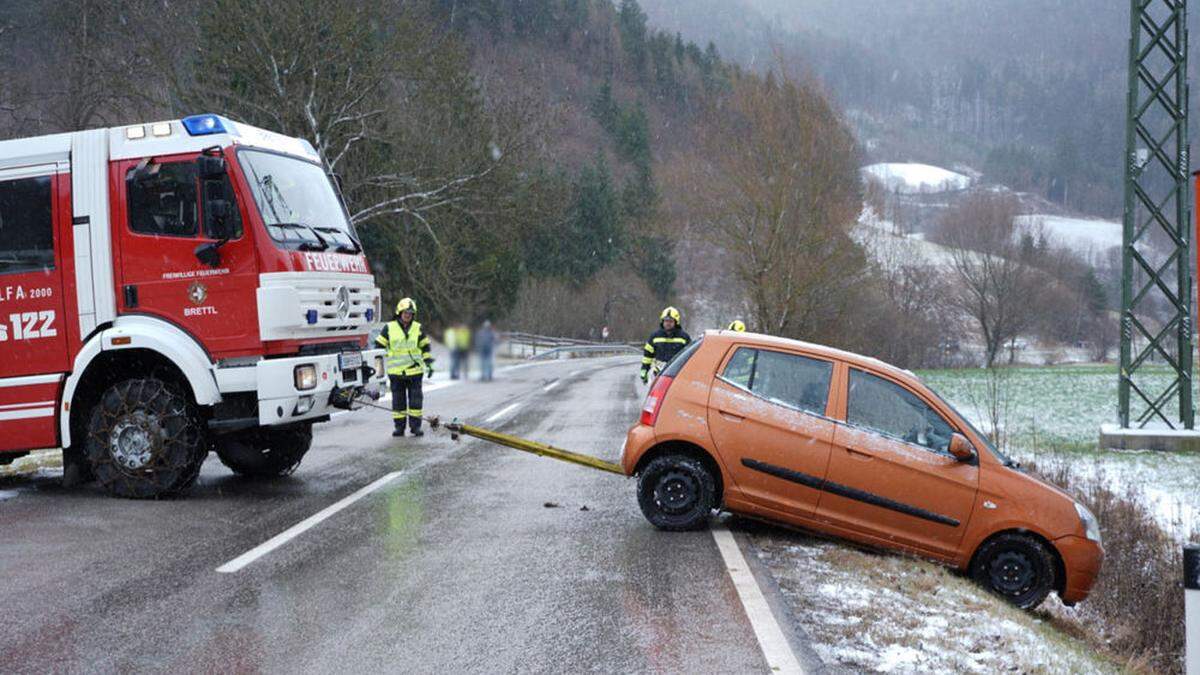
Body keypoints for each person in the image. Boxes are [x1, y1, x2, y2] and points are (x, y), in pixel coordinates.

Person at [376, 298, 434, 437]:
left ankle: (415, 427)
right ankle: (399, 428)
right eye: (405, 312)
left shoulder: (417, 328)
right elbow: (379, 346)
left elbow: (425, 347)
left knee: (415, 402)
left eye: (411, 313)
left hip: (415, 372)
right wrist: (381, 365)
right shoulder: (389, 328)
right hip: (396, 373)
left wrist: (428, 363)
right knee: (398, 402)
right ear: (399, 312)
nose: (408, 315)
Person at [640, 306, 692, 383]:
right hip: (658, 373)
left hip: (677, 373)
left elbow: (690, 356)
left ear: (676, 322)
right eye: (666, 321)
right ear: (662, 321)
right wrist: (644, 369)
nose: (668, 323)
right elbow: (647, 355)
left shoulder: (684, 337)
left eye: (671, 321)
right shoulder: (655, 336)